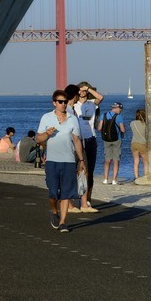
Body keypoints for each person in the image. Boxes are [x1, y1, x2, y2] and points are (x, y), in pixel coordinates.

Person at [35, 91, 85, 232]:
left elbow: (76, 140)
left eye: (65, 101)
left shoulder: (72, 119)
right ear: (54, 103)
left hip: (68, 160)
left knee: (66, 193)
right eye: (60, 101)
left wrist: (81, 160)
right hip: (52, 160)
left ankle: (63, 222)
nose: (63, 104)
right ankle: (54, 211)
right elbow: (38, 139)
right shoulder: (46, 118)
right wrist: (47, 134)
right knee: (53, 192)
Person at [67, 81, 102, 211]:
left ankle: (87, 200)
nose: (81, 92)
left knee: (89, 172)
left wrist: (88, 89)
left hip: (90, 139)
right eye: (79, 90)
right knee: (78, 170)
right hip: (77, 140)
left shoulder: (92, 104)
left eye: (83, 90)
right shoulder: (73, 105)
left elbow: (100, 97)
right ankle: (75, 200)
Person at [99, 101, 126, 184]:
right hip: (116, 140)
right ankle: (114, 180)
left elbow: (99, 128)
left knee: (107, 160)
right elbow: (122, 130)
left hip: (106, 139)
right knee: (116, 160)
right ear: (117, 108)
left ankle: (105, 179)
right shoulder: (119, 117)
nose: (120, 111)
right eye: (120, 109)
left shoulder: (103, 115)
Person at [130, 108, 149, 181]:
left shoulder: (132, 123)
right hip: (142, 143)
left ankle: (136, 177)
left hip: (134, 143)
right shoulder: (145, 124)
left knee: (136, 161)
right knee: (145, 162)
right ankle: (145, 176)